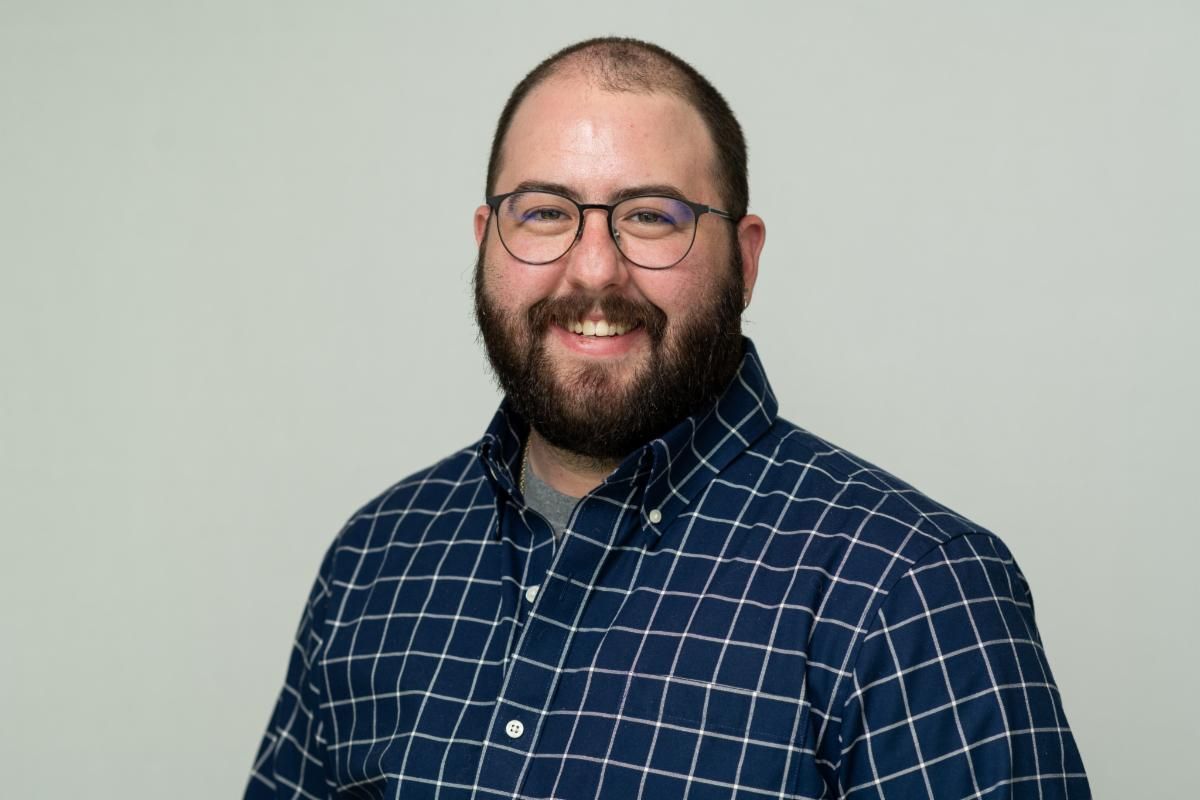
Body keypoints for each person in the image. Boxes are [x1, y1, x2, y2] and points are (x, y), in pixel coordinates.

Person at [246, 37, 1090, 799]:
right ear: (486, 240)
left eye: (651, 217)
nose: (593, 270)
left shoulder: (910, 591)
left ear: (744, 261)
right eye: (544, 212)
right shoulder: (375, 559)